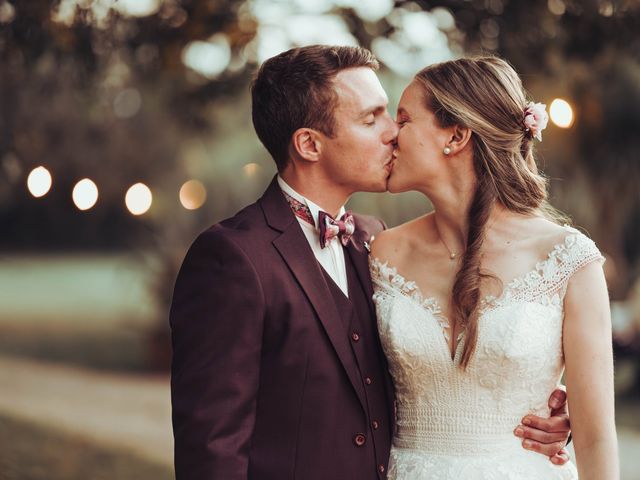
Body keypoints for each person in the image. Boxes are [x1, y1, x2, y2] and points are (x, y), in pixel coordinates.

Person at [170, 45, 573, 480]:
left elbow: (433, 369)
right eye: (371, 118)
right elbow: (211, 450)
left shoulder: (377, 242)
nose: (393, 133)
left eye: (392, 116)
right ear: (309, 144)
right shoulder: (232, 259)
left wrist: (540, 407)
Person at [370, 56, 618, 479]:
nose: (391, 134)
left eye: (404, 118)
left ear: (457, 135)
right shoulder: (380, 253)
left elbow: (596, 438)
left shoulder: (567, 259)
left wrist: (566, 421)